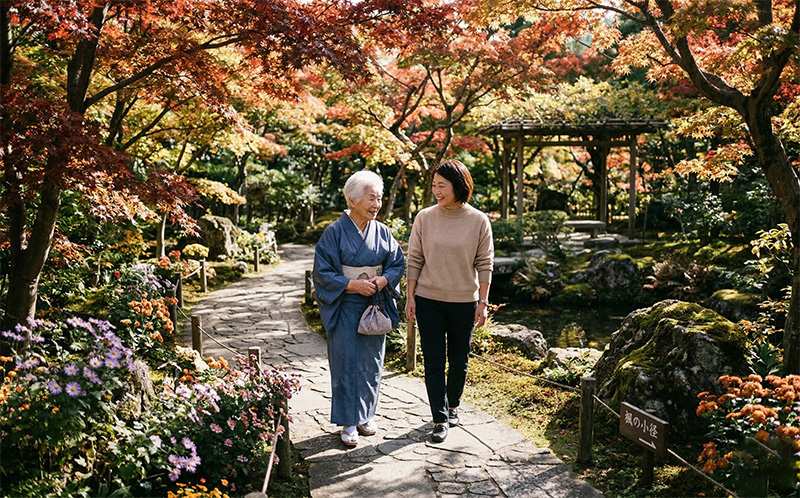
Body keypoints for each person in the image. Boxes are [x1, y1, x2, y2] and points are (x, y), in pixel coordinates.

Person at [312, 170, 405, 448]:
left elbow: (397, 263)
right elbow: (322, 273)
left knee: (372, 362)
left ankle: (366, 416)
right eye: (371, 198)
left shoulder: (383, 231)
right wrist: (351, 285)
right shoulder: (334, 232)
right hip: (345, 306)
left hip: (374, 304)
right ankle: (348, 422)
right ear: (352, 201)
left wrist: (384, 279)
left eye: (379, 198)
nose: (376, 204)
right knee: (345, 363)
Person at [404, 160, 494, 443]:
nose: (436, 192)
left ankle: (453, 405)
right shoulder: (425, 217)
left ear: (458, 185)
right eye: (434, 186)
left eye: (441, 186)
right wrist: (410, 296)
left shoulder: (479, 220)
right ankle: (439, 418)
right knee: (433, 361)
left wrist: (483, 302)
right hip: (428, 299)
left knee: (459, 360)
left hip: (464, 302)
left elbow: (485, 263)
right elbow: (414, 259)